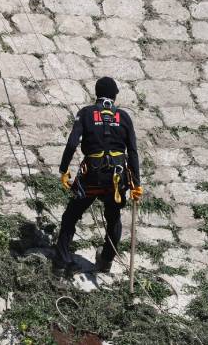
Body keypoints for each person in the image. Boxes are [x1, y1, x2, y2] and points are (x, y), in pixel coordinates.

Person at [54, 76, 143, 273]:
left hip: (90, 179)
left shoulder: (86, 113)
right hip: (116, 182)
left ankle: (60, 264)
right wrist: (136, 184)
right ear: (114, 96)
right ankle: (106, 262)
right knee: (114, 218)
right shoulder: (124, 117)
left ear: (96, 94)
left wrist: (64, 169)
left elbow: (71, 144)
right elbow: (133, 152)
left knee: (71, 217)